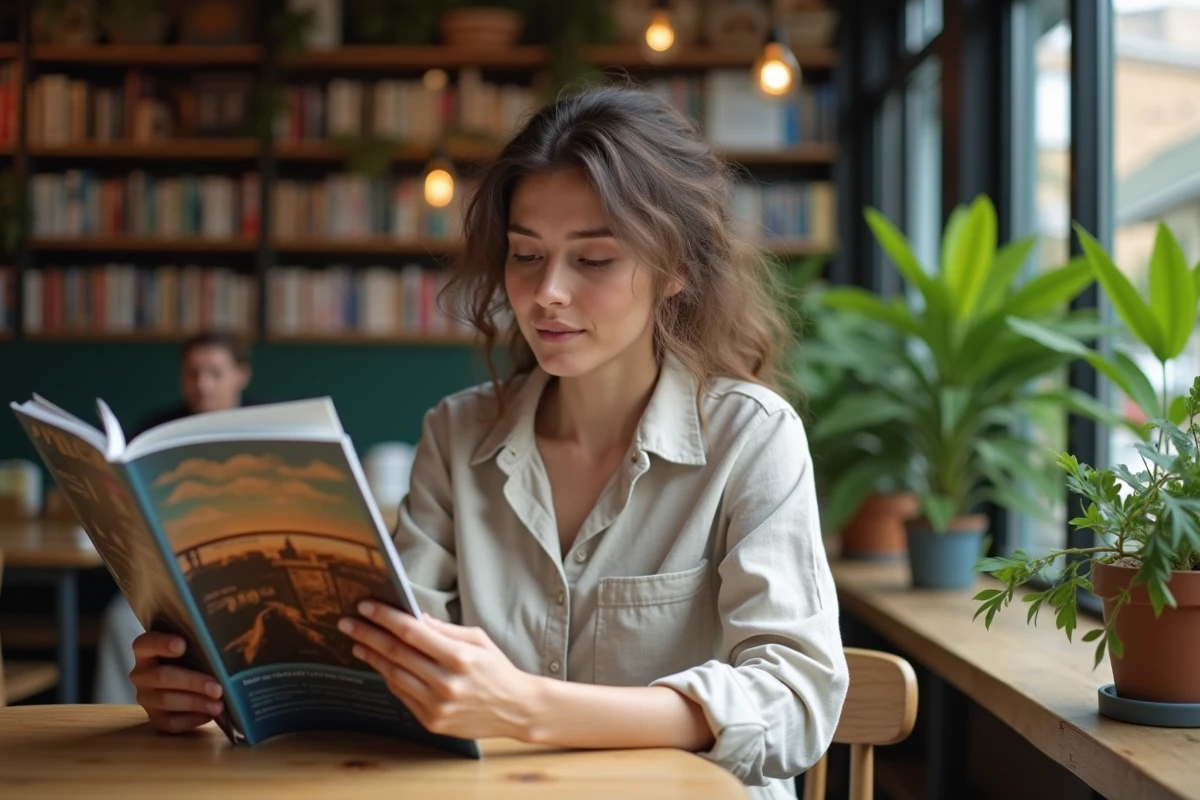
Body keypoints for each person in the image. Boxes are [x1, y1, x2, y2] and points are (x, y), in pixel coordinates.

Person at [125, 86, 849, 798]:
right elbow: (391, 668)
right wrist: (222, 687)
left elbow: (796, 700)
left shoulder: (752, 437)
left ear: (677, 270)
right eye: (526, 255)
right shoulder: (457, 435)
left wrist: (528, 706)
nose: (547, 292)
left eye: (594, 259)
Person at [93, 331, 258, 704]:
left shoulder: (269, 425)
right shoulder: (154, 428)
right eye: (192, 373)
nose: (203, 385)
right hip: (170, 573)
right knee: (121, 619)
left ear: (240, 375)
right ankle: (118, 726)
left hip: (240, 569)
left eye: (215, 373)